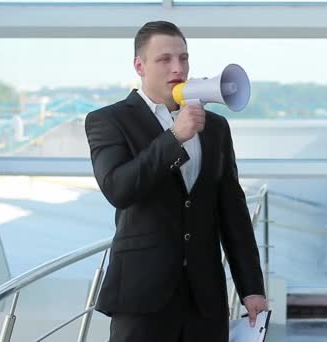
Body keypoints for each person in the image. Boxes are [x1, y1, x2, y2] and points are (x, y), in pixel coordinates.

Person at [84, 20, 267, 342]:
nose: (177, 67)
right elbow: (118, 188)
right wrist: (174, 137)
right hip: (141, 297)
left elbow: (232, 211)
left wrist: (251, 289)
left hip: (205, 297)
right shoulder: (108, 120)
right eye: (164, 59)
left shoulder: (215, 128)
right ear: (139, 66)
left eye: (183, 58)